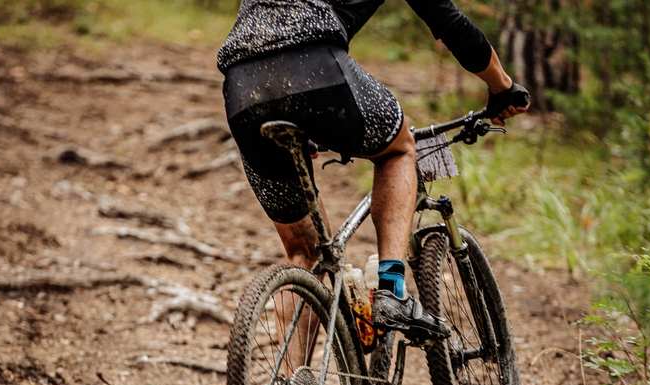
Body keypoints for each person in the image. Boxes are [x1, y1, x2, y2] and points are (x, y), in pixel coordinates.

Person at [218, 0, 529, 342]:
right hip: (316, 68)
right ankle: (392, 289)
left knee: (303, 256)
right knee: (400, 149)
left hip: (242, 90)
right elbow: (451, 24)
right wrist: (502, 87)